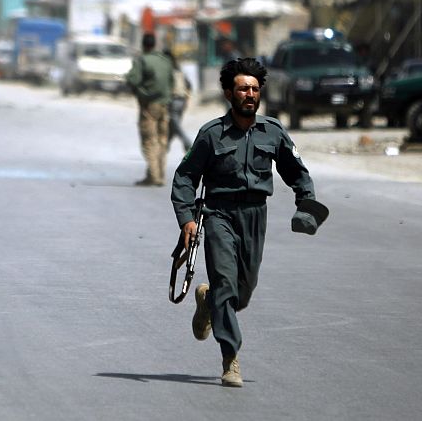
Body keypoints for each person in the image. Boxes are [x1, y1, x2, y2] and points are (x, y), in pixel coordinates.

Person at [171, 57, 328, 387]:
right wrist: (187, 219)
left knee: (242, 293)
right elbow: (185, 176)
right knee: (227, 284)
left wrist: (306, 204)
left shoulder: (272, 132)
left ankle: (209, 301)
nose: (250, 94)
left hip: (256, 216)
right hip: (218, 214)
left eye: (255, 89)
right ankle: (230, 359)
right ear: (229, 94)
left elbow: (298, 173)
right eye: (243, 88)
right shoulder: (211, 134)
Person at [125, 33, 173, 186]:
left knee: (149, 140)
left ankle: (154, 176)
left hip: (149, 106)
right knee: (162, 140)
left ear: (143, 44)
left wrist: (139, 90)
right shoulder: (165, 61)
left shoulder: (142, 60)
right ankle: (158, 173)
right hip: (165, 105)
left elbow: (133, 79)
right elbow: (171, 81)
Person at [164, 49, 193, 152]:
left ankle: (187, 142)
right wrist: (187, 99)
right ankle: (165, 146)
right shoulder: (179, 70)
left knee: (175, 125)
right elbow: (189, 85)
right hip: (182, 100)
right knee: (173, 125)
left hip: (174, 100)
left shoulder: (168, 71)